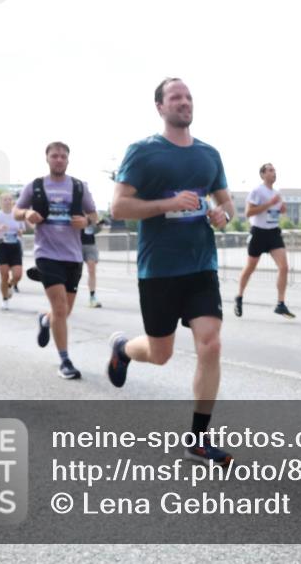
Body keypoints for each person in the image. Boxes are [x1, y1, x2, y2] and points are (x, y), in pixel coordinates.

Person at [107, 77, 236, 467]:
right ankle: (123, 349)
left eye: (189, 97)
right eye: (175, 97)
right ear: (160, 107)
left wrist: (222, 215)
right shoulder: (143, 152)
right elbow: (118, 208)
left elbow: (227, 205)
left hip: (200, 266)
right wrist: (166, 204)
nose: (184, 102)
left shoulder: (209, 155)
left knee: (210, 344)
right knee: (160, 353)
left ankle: (198, 440)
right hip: (159, 269)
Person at [14, 142, 98, 379]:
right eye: (54, 156)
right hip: (46, 254)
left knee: (63, 311)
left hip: (73, 255)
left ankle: (45, 319)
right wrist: (27, 214)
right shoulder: (36, 185)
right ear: (47, 159)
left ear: (68, 160)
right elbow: (17, 211)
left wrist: (87, 222)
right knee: (60, 308)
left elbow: (93, 215)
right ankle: (65, 361)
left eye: (63, 156)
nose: (59, 159)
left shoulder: (79, 186)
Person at [234, 163, 295, 319]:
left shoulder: (277, 192)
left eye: (275, 170)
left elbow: (279, 210)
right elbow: (248, 212)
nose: (274, 172)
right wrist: (269, 203)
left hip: (273, 233)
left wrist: (282, 208)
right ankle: (239, 297)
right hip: (258, 233)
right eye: (270, 170)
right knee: (250, 267)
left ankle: (280, 304)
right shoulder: (257, 191)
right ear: (262, 174)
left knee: (284, 267)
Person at [0, 192, 25, 311]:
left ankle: (10, 284)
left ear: (12, 201)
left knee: (18, 275)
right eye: (5, 200)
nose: (7, 202)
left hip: (14, 246)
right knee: (4, 274)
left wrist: (20, 232)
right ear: (0, 202)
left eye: (9, 199)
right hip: (1, 246)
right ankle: (5, 299)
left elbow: (22, 229)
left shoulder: (17, 214)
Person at [81, 217, 106, 308]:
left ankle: (92, 298)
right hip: (76, 244)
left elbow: (94, 229)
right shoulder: (75, 208)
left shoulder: (91, 213)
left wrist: (100, 225)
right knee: (75, 272)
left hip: (90, 245)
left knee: (92, 270)